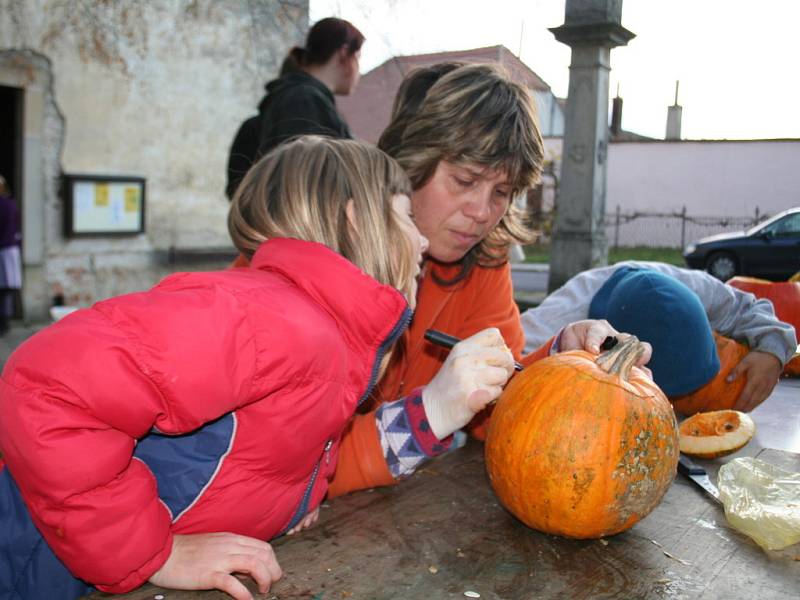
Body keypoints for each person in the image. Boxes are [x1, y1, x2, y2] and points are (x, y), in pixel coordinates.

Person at [0, 137, 521, 599]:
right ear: (356, 218)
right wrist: (150, 553)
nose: (423, 241)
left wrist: (298, 499)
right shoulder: (271, 319)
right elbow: (48, 387)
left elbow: (264, 440)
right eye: (406, 217)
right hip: (34, 564)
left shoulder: (330, 335)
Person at [326, 63, 640, 497]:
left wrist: (562, 361)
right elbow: (284, 467)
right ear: (409, 164)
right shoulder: (319, 248)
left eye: (501, 192)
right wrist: (427, 414)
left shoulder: (483, 258)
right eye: (465, 180)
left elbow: (498, 411)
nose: (481, 212)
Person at [520, 261, 797, 412]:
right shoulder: (549, 325)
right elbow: (510, 370)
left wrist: (773, 349)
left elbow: (751, 308)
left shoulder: (698, 291)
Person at [225, 17, 363, 200]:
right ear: (344, 54)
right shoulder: (304, 102)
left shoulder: (301, 100)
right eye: (359, 58)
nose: (358, 70)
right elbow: (306, 184)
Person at [0, 175, 21, 336]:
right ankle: (5, 320)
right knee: (7, 288)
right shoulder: (11, 204)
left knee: (5, 288)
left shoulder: (6, 205)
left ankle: (4, 320)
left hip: (5, 249)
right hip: (11, 249)